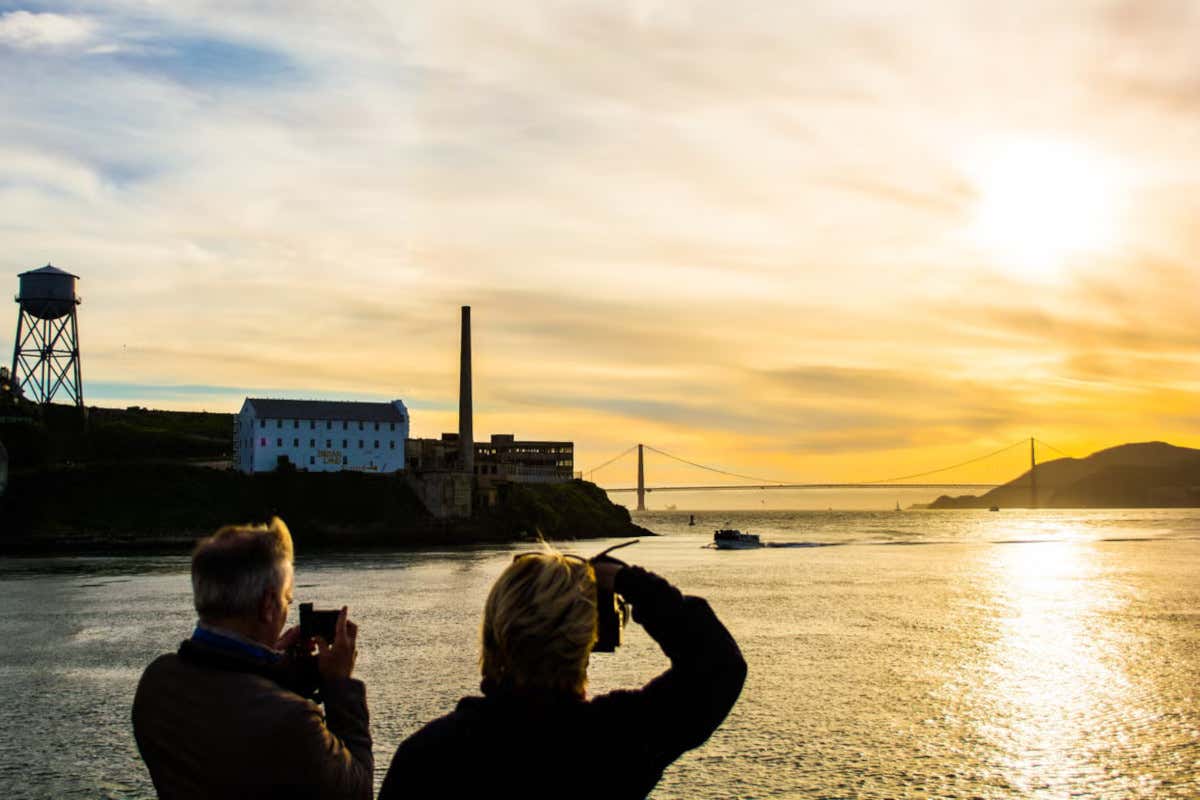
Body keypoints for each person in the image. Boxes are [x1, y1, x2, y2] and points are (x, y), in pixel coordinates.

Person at [379, 545, 746, 799]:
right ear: (588, 638)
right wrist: (625, 581)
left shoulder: (426, 758)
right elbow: (718, 665)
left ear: (495, 627)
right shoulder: (613, 745)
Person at [132, 517, 372, 799]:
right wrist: (340, 686)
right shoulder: (294, 722)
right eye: (287, 599)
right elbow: (359, 789)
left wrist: (273, 670)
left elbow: (228, 704)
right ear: (269, 605)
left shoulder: (157, 682)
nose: (285, 609)